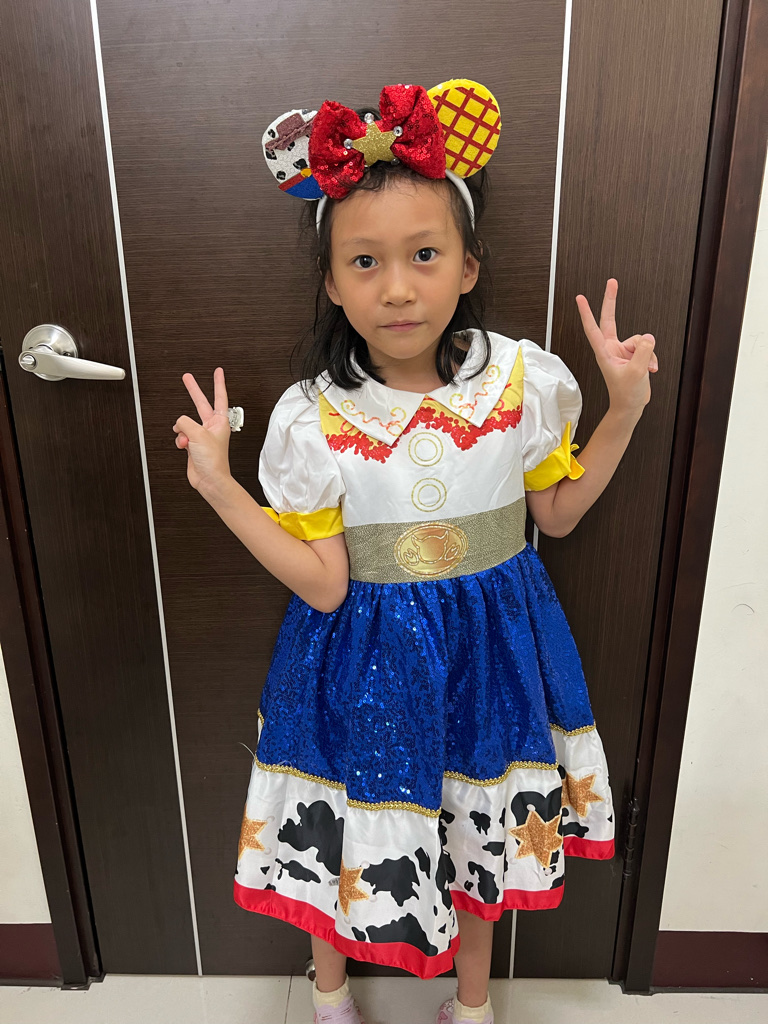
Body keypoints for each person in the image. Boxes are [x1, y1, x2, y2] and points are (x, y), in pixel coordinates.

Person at [172, 81, 658, 1024]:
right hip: (359, 661)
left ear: (467, 266)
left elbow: (556, 517)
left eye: (424, 255)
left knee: (480, 833)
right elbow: (323, 586)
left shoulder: (519, 381)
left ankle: (473, 1005)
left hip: (494, 656)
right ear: (332, 283)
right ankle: (329, 997)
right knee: (343, 829)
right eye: (365, 262)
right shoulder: (314, 416)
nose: (397, 287)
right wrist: (223, 488)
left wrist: (625, 409)